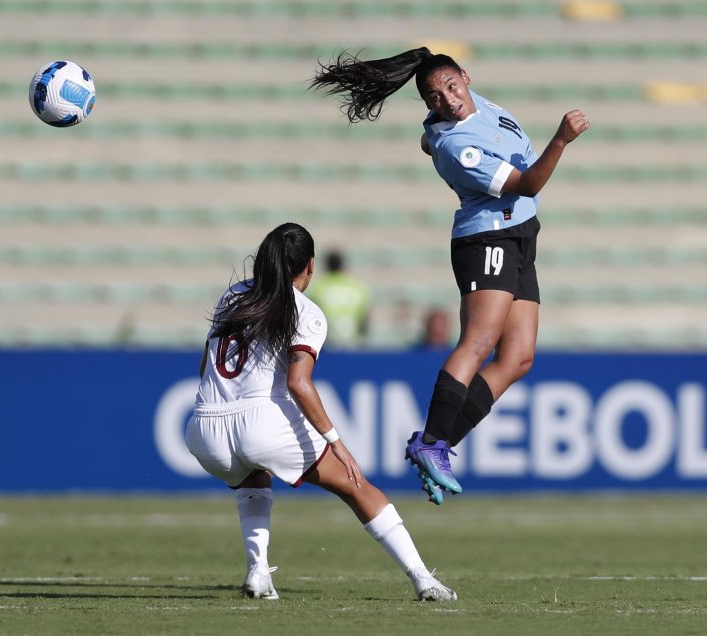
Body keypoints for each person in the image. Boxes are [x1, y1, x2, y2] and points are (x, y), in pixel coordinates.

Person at [312, 48, 589, 504]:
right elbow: (529, 183)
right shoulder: (457, 146)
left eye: (451, 87)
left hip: (519, 235)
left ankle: (436, 446)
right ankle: (432, 443)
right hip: (488, 241)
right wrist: (559, 139)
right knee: (478, 343)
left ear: (465, 76)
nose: (448, 99)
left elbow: (429, 136)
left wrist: (429, 115)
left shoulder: (468, 108)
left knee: (518, 358)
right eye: (435, 97)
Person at [185, 222, 456, 602]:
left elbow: (205, 368)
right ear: (309, 267)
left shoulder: (232, 296)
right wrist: (336, 441)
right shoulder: (306, 311)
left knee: (253, 475)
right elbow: (299, 383)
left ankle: (258, 572)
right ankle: (423, 579)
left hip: (204, 426)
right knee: (355, 485)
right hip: (259, 424)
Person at [306, 250, 371, 348]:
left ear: (326, 266)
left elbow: (310, 316)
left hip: (326, 343)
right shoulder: (357, 287)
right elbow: (365, 317)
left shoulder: (318, 287)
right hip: (354, 342)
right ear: (342, 265)